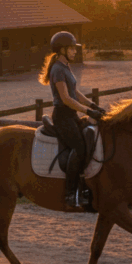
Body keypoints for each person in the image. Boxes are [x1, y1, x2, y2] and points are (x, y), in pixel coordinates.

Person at [38, 32, 105, 207]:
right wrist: (88, 112)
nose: (75, 52)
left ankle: (85, 187)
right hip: (62, 117)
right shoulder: (57, 69)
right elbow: (66, 98)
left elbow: (75, 92)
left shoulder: (65, 66)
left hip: (71, 115)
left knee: (89, 141)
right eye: (71, 49)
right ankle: (69, 195)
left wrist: (93, 105)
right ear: (62, 50)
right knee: (80, 147)